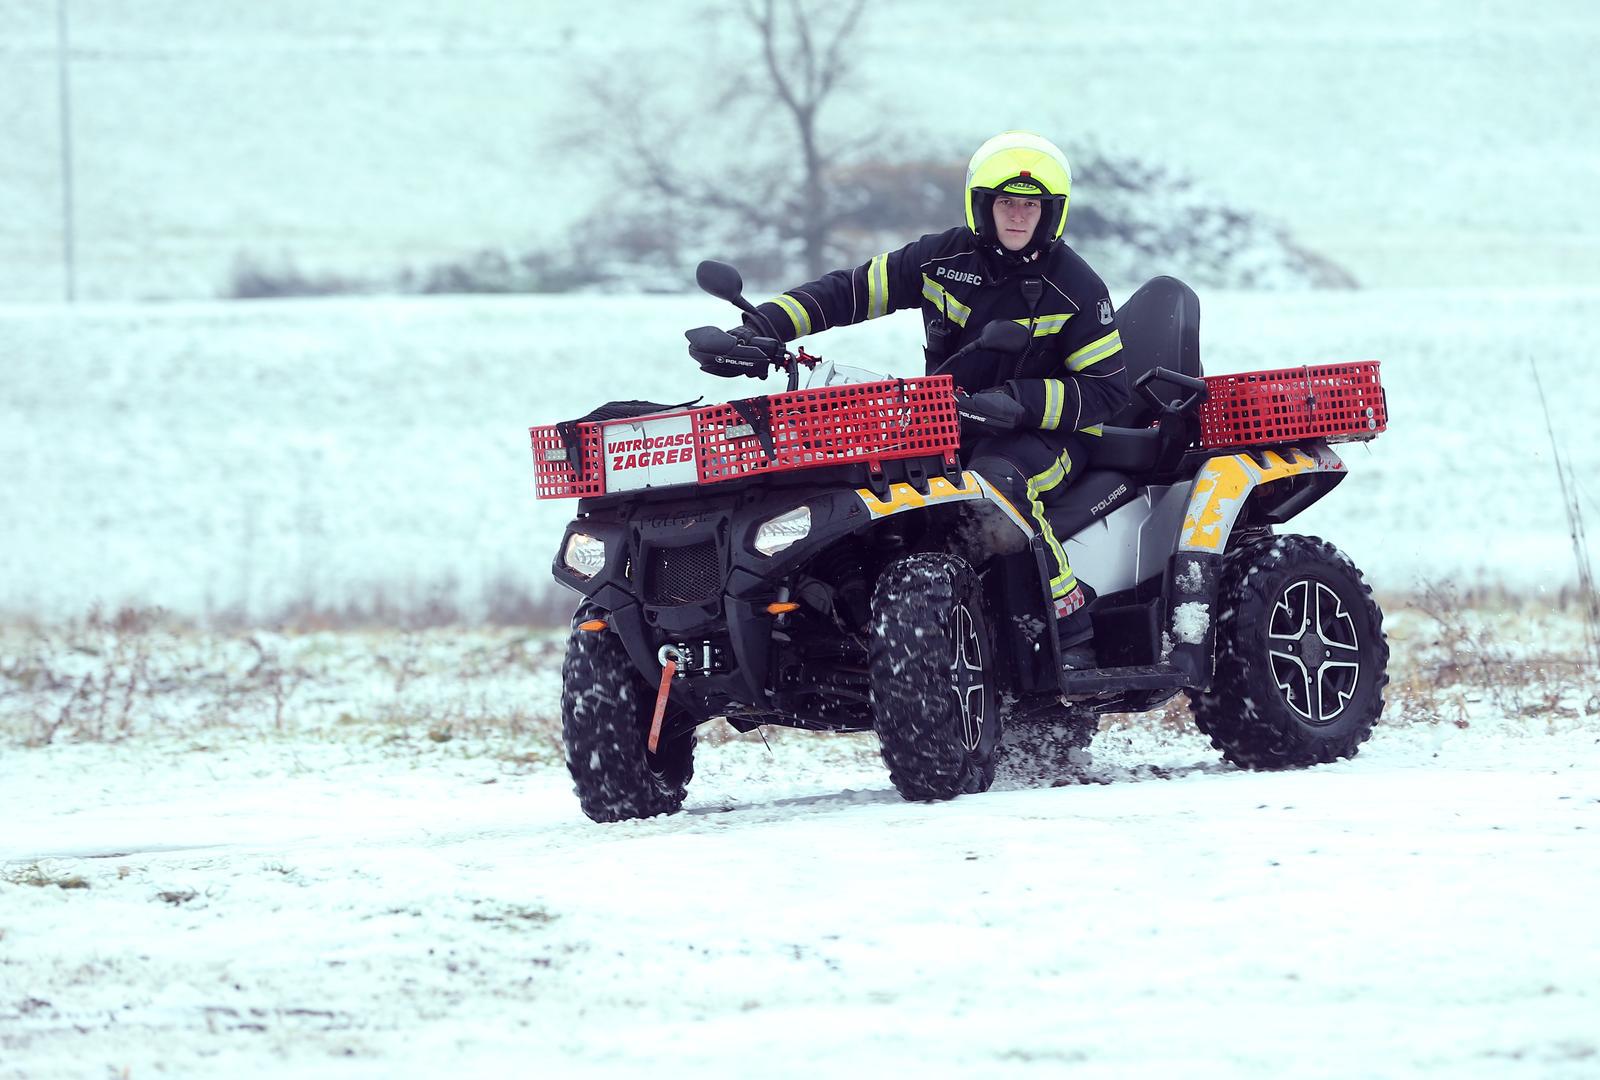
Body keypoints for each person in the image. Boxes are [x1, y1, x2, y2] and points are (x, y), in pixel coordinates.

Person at [738, 130, 1131, 668]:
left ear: (1051, 213)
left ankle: (1069, 625)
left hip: (1049, 436)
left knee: (998, 483)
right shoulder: (941, 259)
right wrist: (763, 325)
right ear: (983, 206)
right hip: (945, 421)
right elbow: (851, 290)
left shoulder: (1078, 289)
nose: (1018, 217)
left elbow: (1109, 392)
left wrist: (1020, 402)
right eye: (1007, 203)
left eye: (1031, 206)